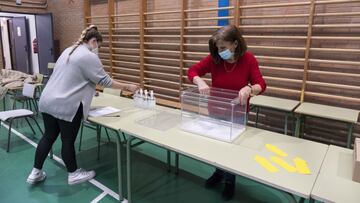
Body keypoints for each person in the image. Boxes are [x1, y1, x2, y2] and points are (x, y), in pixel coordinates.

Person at [26, 25, 138, 185]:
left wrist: (88, 91)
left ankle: (35, 172)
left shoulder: (68, 51)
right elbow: (105, 81)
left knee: (48, 136)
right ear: (93, 41)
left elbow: (72, 77)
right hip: (66, 104)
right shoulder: (88, 56)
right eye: (97, 45)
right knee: (67, 140)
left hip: (47, 100)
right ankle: (73, 174)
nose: (96, 50)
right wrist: (128, 86)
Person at [187, 25, 266, 200]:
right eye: (217, 47)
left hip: (236, 112)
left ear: (235, 43)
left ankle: (230, 181)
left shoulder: (248, 59)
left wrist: (249, 89)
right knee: (217, 146)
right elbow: (192, 71)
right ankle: (219, 173)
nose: (219, 50)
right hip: (215, 110)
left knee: (232, 149)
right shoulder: (215, 59)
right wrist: (199, 81)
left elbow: (261, 84)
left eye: (223, 47)